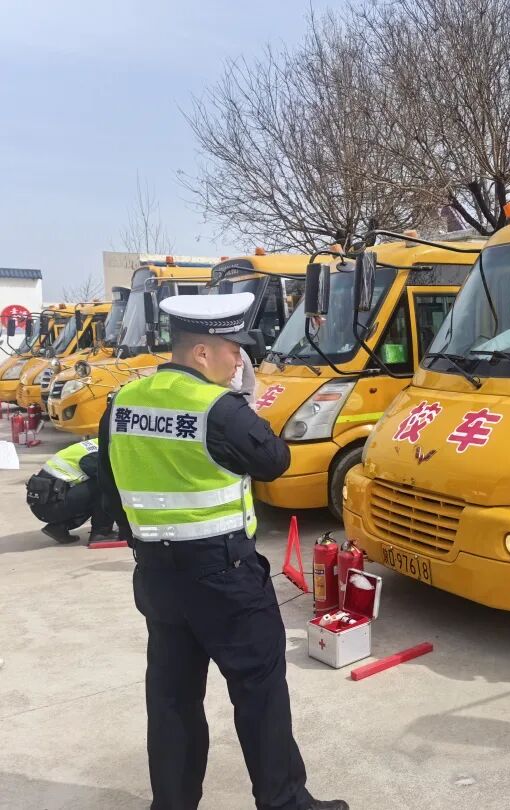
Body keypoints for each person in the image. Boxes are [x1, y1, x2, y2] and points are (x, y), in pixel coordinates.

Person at [97, 292, 346, 810]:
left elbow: (111, 482)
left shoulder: (123, 401)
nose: (241, 361)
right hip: (224, 575)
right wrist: (248, 404)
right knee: (259, 693)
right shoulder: (218, 408)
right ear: (202, 354)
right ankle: (284, 804)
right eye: (234, 350)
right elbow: (274, 460)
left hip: (158, 578)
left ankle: (172, 804)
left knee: (171, 698)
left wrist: (146, 539)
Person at [26, 437, 115, 544]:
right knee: (106, 484)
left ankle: (59, 527)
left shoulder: (99, 443)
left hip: (44, 502)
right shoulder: (102, 452)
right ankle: (101, 533)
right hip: (51, 504)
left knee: (93, 489)